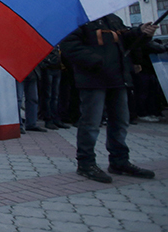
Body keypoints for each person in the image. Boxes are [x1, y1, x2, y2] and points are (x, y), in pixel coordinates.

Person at [61, 13, 158, 183]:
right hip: (93, 79)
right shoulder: (77, 18)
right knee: (91, 123)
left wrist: (141, 32)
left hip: (118, 78)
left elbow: (127, 41)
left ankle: (119, 161)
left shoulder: (113, 18)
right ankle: (86, 163)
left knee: (120, 122)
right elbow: (70, 46)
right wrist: (98, 61)